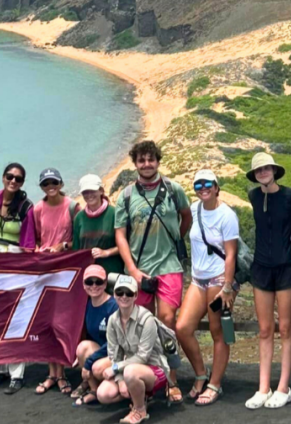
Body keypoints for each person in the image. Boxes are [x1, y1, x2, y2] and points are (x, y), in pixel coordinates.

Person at [114, 140, 191, 403]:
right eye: (141, 160)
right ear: (134, 163)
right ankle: (148, 378)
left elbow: (186, 217)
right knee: (142, 327)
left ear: (158, 161)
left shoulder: (173, 189)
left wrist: (173, 243)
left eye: (151, 159)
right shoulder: (126, 196)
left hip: (169, 266)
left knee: (167, 322)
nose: (146, 164)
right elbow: (120, 235)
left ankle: (171, 379)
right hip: (139, 270)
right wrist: (133, 271)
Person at [176, 169, 240, 406]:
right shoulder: (195, 209)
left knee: (218, 332)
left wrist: (227, 286)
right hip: (198, 279)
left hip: (218, 279)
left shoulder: (227, 216)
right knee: (182, 327)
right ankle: (201, 374)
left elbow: (231, 254)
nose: (203, 188)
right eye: (198, 185)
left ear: (216, 186)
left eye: (207, 184)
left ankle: (215, 384)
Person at [245, 152, 291, 409]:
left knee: (287, 329)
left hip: (287, 268)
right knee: (265, 330)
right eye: (259, 170)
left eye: (267, 168)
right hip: (261, 268)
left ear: (275, 170)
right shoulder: (253, 195)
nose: (263, 172)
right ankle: (263, 388)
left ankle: (284, 387)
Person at [0, 162, 35, 394]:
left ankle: (16, 373)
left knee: (15, 319)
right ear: (2, 177)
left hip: (14, 262)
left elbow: (28, 244)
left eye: (18, 179)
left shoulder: (26, 207)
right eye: (9, 176)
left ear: (22, 183)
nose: (13, 181)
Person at [95, 275, 171, 424]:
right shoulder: (112, 320)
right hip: (129, 369)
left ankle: (140, 409)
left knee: (130, 372)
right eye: (120, 292)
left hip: (155, 370)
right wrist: (120, 379)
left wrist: (117, 368)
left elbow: (143, 356)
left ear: (136, 295)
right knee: (103, 394)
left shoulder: (146, 319)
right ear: (114, 294)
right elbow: (114, 355)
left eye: (129, 293)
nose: (124, 296)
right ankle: (139, 395)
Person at [33, 167, 81, 395]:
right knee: (46, 323)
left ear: (61, 184)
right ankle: (52, 374)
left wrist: (63, 246)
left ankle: (61, 375)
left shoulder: (72, 207)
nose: (50, 187)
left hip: (66, 272)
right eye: (45, 184)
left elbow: (78, 240)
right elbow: (34, 238)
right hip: (44, 272)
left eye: (54, 182)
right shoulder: (37, 208)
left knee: (61, 323)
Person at [71, 264, 119, 406]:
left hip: (118, 352)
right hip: (102, 350)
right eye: (89, 282)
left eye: (98, 282)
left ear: (105, 284)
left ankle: (124, 388)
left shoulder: (114, 306)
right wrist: (79, 356)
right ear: (84, 285)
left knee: (96, 367)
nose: (94, 286)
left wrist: (88, 362)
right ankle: (93, 389)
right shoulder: (85, 304)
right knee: (82, 347)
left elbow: (115, 342)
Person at [72, 174, 124, 275]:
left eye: (92, 190)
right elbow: (76, 250)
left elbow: (126, 245)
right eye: (85, 192)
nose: (89, 195)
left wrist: (106, 253)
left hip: (112, 272)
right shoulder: (79, 218)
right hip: (89, 276)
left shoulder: (115, 213)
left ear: (101, 191)